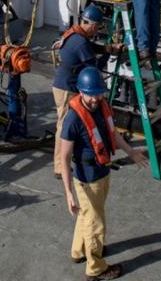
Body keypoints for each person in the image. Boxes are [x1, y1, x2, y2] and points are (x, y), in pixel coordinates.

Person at [60, 67, 148, 280]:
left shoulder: (101, 107)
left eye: (99, 93)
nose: (96, 98)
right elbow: (64, 158)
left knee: (88, 215)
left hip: (102, 172)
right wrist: (68, 193)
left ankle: (79, 251)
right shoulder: (73, 119)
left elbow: (112, 134)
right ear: (81, 92)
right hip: (88, 180)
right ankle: (95, 268)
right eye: (91, 94)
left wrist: (132, 152)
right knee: (96, 223)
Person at [53, 4, 122, 178]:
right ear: (91, 25)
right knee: (64, 128)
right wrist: (110, 53)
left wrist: (105, 49)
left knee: (68, 126)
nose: (97, 31)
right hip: (67, 88)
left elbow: (90, 48)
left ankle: (65, 162)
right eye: (97, 28)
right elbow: (94, 69)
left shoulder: (75, 34)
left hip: (64, 84)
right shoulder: (81, 43)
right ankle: (60, 168)